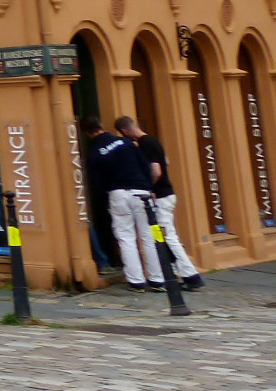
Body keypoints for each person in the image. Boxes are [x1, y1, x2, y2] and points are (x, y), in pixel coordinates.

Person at [119, 115, 204, 291]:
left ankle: (191, 275)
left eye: (122, 133)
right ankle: (172, 272)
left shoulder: (145, 144)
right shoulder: (152, 141)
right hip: (167, 195)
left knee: (168, 236)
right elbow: (166, 162)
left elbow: (156, 170)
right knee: (160, 235)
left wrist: (148, 188)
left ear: (126, 130)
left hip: (162, 197)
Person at [82, 115, 163, 291]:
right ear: (101, 125)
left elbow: (96, 184)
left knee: (126, 238)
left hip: (117, 193)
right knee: (148, 236)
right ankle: (157, 279)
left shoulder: (94, 153)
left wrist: (104, 200)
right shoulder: (125, 143)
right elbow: (144, 165)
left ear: (87, 133)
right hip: (141, 191)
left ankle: (136, 281)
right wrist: (148, 187)